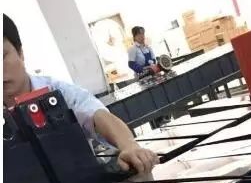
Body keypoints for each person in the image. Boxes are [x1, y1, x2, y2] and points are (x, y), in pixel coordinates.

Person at [3, 14, 158, 174]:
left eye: (2, 57)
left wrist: (128, 145)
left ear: (20, 52)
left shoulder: (57, 91)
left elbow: (96, 114)